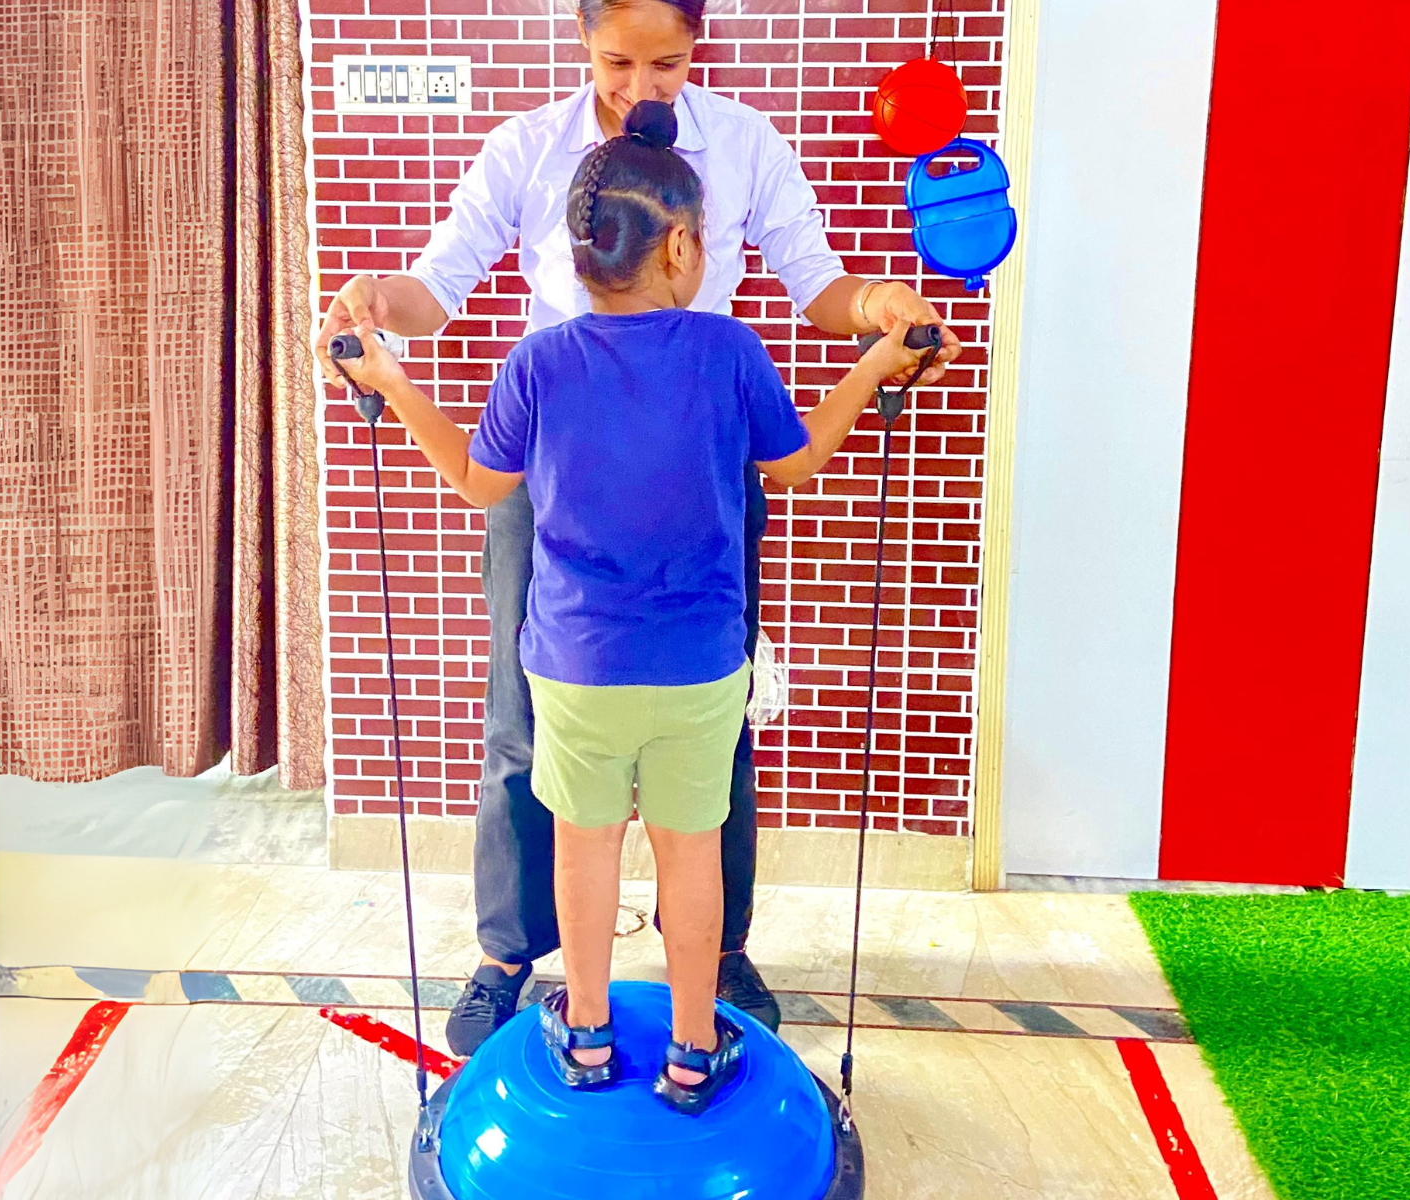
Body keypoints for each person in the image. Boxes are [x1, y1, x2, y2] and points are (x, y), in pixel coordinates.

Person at [312, 0, 958, 1055]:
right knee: (525, 722)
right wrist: (377, 300)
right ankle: (508, 956)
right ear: (583, 40)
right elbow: (438, 285)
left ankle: (715, 952)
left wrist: (881, 304)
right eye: (618, 61)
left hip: (698, 470)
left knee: (714, 713)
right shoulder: (528, 154)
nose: (641, 87)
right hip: (553, 468)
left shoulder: (742, 147)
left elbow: (818, 283)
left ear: (699, 47)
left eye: (668, 63)